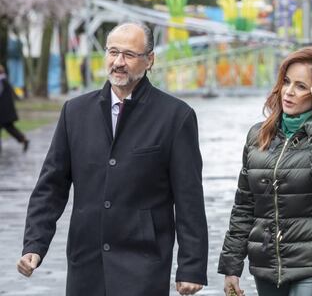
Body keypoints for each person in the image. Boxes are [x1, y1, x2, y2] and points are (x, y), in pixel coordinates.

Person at [17, 22, 208, 296]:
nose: (119, 62)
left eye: (129, 55)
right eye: (113, 52)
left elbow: (189, 197)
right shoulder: (75, 112)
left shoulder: (176, 117)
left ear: (150, 60)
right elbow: (51, 186)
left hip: (143, 263)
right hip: (86, 261)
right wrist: (34, 244)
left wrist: (191, 266)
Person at [218, 47, 312, 296]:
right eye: (286, 82)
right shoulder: (258, 135)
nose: (288, 92)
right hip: (267, 265)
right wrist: (231, 267)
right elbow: (244, 206)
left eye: (301, 86)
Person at [0, 64, 29, 152]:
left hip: (3, 112)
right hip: (6, 111)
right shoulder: (5, 80)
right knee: (10, 128)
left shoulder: (1, 81)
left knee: (10, 128)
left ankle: (24, 140)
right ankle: (24, 139)